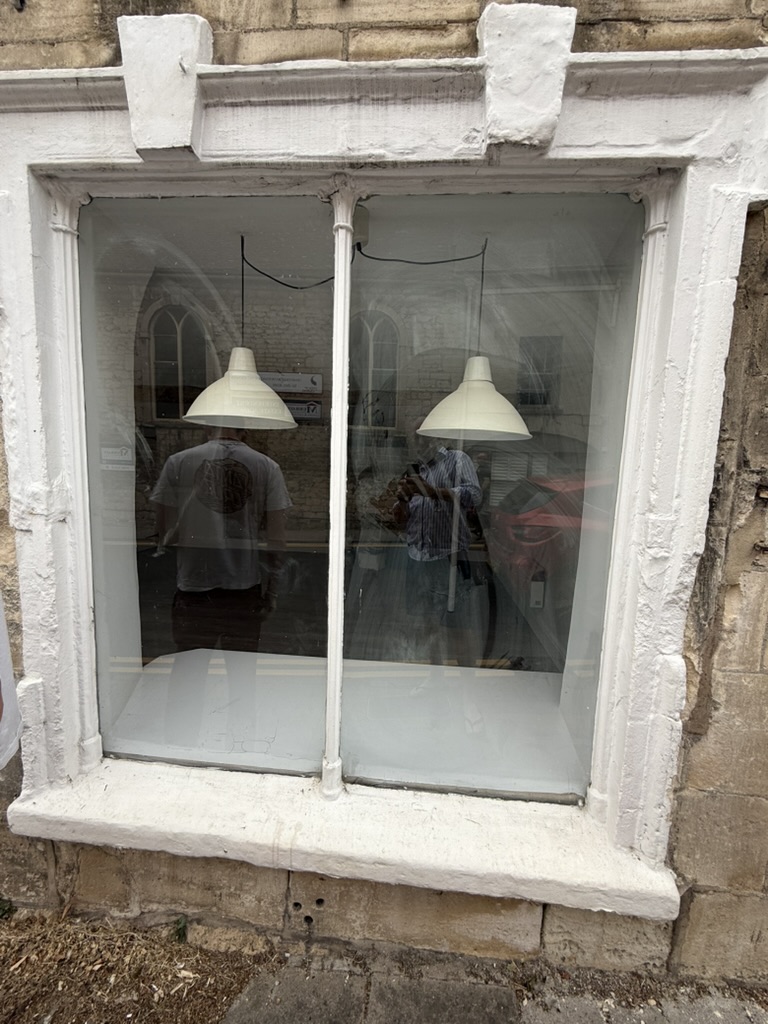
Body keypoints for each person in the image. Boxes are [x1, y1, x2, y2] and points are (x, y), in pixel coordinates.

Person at [151, 428, 291, 653]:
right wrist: (272, 592)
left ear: (207, 427)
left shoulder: (178, 462)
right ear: (245, 430)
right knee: (241, 671)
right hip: (244, 588)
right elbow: (276, 539)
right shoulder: (267, 466)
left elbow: (164, 531)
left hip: (194, 585)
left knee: (191, 669)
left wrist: (195, 516)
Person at [393, 423, 482, 666]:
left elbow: (474, 495)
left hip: (449, 558)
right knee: (426, 625)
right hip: (417, 558)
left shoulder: (457, 459)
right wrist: (403, 500)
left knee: (457, 626)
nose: (419, 443)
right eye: (415, 439)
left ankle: (468, 679)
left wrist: (433, 491)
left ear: (436, 438)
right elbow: (400, 520)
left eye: (424, 437)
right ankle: (435, 677)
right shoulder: (414, 470)